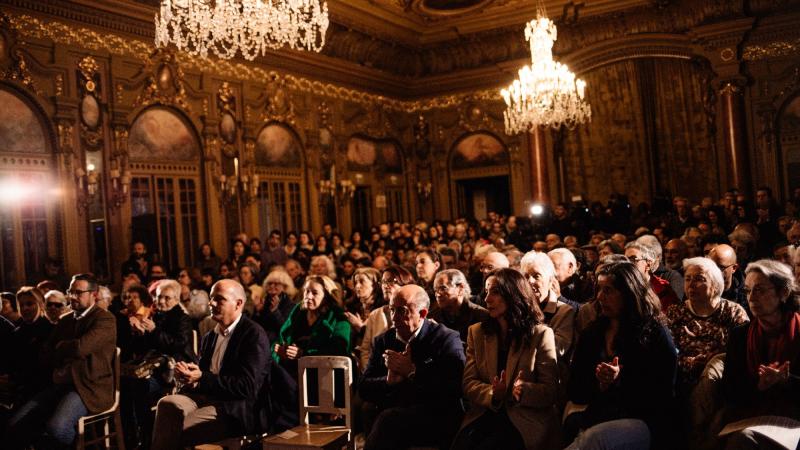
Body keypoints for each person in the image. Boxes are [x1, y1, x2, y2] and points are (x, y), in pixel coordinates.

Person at [564, 262, 678, 450]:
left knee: (595, 439)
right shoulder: (593, 333)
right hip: (600, 416)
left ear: (629, 293)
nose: (600, 297)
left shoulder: (654, 333)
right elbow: (576, 391)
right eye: (599, 289)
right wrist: (599, 382)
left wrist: (620, 380)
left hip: (644, 420)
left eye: (608, 290)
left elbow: (663, 394)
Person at [151, 279, 270, 449]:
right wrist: (190, 377)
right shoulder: (210, 336)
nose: (211, 303)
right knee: (166, 405)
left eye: (219, 299)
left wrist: (202, 377)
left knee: (176, 428)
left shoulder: (253, 335)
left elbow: (247, 387)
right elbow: (204, 377)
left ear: (238, 304)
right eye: (211, 297)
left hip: (235, 406)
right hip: (208, 397)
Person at [452, 268, 559, 450]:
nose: (487, 299)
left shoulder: (540, 334)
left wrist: (524, 391)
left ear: (513, 294)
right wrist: (493, 394)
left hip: (524, 417)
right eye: (486, 292)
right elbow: (469, 383)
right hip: (486, 412)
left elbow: (550, 391)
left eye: (495, 292)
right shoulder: (477, 332)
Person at [6, 274, 116, 450]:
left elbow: (81, 348)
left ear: (93, 295)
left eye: (78, 293)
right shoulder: (66, 320)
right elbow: (46, 353)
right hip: (61, 383)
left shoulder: (104, 319)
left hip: (88, 387)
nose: (72, 296)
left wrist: (63, 346)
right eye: (70, 292)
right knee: (16, 423)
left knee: (57, 428)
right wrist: (64, 352)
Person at [359, 285, 466, 450]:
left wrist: (412, 372)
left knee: (389, 420)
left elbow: (454, 388)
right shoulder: (383, 341)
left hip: (435, 414)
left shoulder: (445, 339)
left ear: (422, 313)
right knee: (375, 413)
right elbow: (363, 387)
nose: (394, 318)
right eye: (391, 310)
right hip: (395, 411)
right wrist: (388, 382)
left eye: (401, 311)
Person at [721, 259, 800, 450]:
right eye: (748, 291)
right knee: (741, 438)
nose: (751, 298)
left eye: (760, 290)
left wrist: (786, 381)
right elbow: (729, 391)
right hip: (753, 414)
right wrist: (759, 385)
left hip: (794, 417)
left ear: (783, 293)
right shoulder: (740, 335)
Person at [272, 275, 351, 375]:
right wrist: (280, 350)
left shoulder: (337, 315)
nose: (308, 296)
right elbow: (282, 336)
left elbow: (339, 349)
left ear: (326, 296)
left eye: (314, 293)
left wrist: (304, 354)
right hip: (294, 368)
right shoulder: (299, 310)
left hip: (326, 373)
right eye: (306, 291)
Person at [359, 265, 416, 370]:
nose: (385, 286)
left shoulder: (415, 312)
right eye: (383, 282)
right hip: (378, 375)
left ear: (405, 283)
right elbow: (366, 350)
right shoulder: (375, 314)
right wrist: (370, 372)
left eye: (391, 281)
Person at [8, 287, 54, 403]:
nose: (25, 308)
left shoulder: (51, 330)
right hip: (19, 389)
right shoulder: (16, 332)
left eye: (29, 304)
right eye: (21, 305)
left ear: (40, 304)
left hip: (43, 390)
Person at [429, 269, 488, 347]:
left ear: (460, 288)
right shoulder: (433, 317)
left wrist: (445, 334)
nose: (437, 295)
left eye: (443, 288)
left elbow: (477, 351)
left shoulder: (481, 316)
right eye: (436, 290)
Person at [344, 267, 385, 361]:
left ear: (374, 285)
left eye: (362, 282)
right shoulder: (351, 307)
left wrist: (359, 327)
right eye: (355, 282)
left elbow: (379, 340)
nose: (357, 286)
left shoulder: (382, 308)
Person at [625, 242, 680, 310]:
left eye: (632, 260)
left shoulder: (663, 288)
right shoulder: (620, 286)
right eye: (625, 260)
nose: (627, 264)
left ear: (648, 264)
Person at [253, 268, 297, 344]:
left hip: (278, 344)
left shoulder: (290, 305)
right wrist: (257, 312)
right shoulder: (264, 302)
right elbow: (255, 327)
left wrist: (275, 311)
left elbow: (285, 329)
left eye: (276, 284)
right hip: (261, 341)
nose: (272, 286)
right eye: (270, 283)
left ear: (285, 287)